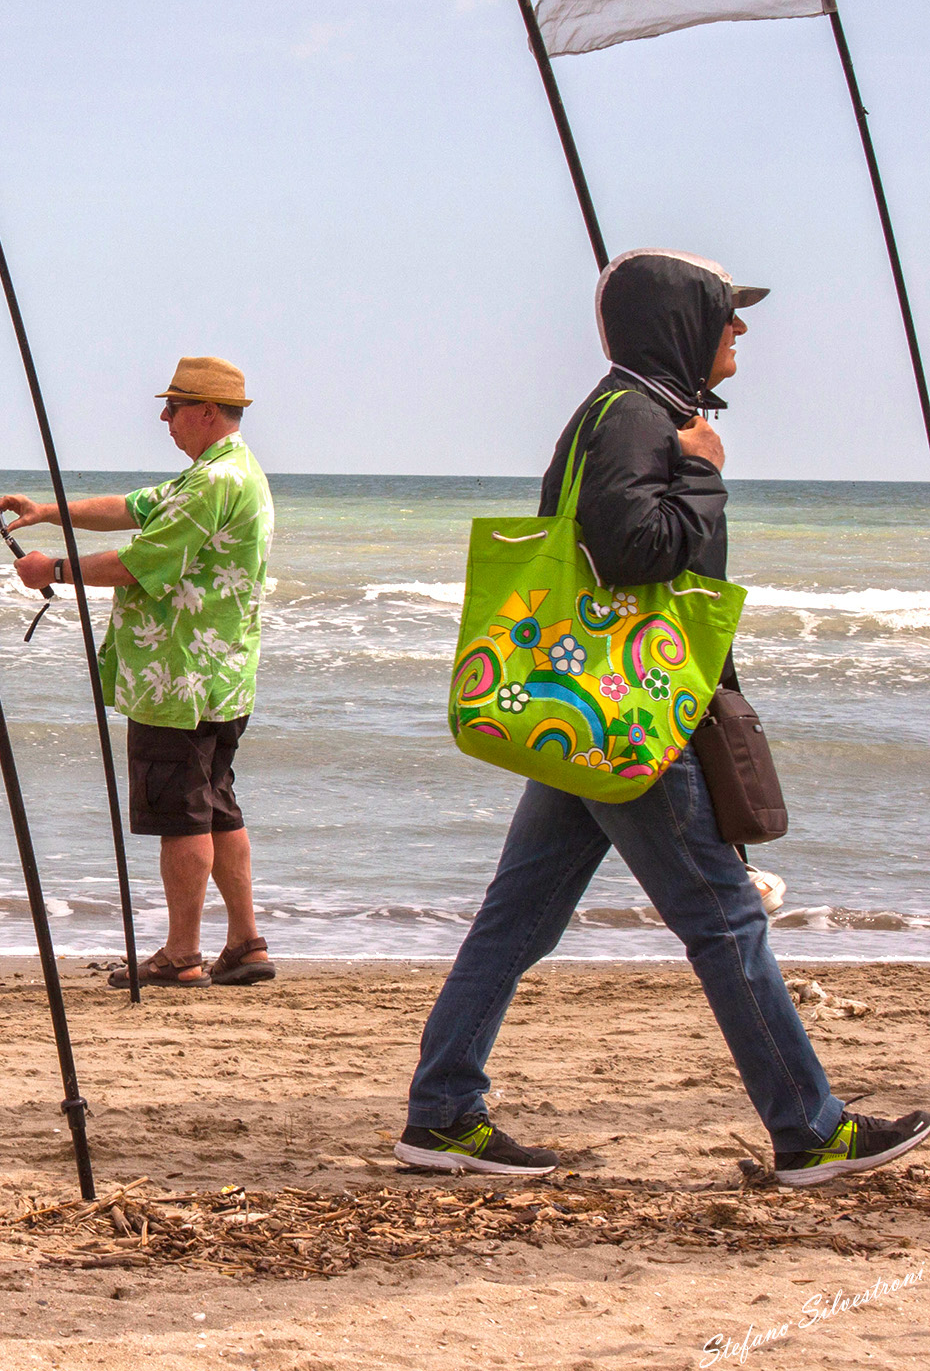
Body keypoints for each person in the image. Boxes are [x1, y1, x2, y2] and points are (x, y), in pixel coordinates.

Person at [397, 250, 929, 1184]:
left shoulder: (625, 410)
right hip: (627, 721)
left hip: (585, 709)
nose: (742, 331)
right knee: (725, 921)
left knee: (517, 920)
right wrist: (703, 475)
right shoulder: (641, 419)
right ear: (681, 321)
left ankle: (442, 1113)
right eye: (728, 312)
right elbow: (632, 548)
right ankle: (811, 1131)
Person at [0, 355, 276, 990]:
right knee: (217, 806)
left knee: (182, 815)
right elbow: (131, 508)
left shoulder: (212, 484)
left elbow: (140, 563)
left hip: (178, 680)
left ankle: (182, 954)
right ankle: (246, 942)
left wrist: (55, 571)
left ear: (206, 411)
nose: (164, 417)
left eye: (173, 407)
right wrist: (45, 511)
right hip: (221, 675)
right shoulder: (227, 472)